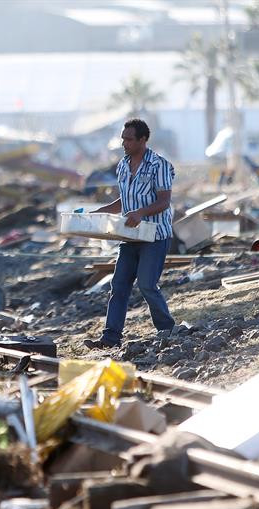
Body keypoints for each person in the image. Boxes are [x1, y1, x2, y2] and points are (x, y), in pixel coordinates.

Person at [84, 118, 175, 349]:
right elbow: (123, 201)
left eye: (129, 139)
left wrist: (141, 213)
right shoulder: (123, 165)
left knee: (146, 285)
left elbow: (164, 201)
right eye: (123, 138)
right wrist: (100, 213)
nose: (124, 143)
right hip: (129, 236)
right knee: (119, 286)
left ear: (143, 140)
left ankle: (167, 330)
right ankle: (110, 338)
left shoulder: (159, 165)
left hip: (154, 236)